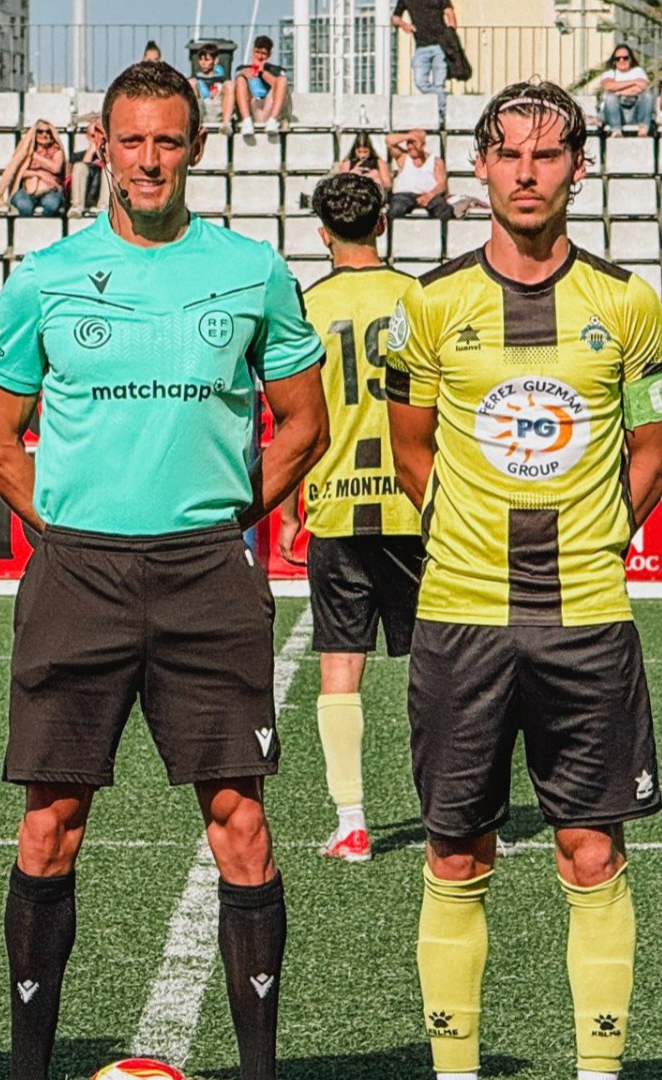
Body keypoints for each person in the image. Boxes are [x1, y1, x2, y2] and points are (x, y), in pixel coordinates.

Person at [0, 58, 328, 1080]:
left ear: (197, 150)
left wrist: (223, 517)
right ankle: (26, 1068)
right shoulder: (43, 276)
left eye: (168, 141)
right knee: (50, 823)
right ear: (103, 147)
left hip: (207, 576)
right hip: (76, 574)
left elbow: (305, 423)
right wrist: (69, 523)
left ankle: (259, 1068)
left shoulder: (253, 270)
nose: (149, 160)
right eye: (131, 140)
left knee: (241, 823)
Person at [386, 80, 662, 1080]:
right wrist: (466, 536)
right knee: (455, 856)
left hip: (587, 620)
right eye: (508, 152)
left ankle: (599, 1073)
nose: (526, 171)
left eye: (546, 154)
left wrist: (601, 534)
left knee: (590, 855)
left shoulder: (630, 304)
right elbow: (412, 449)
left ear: (578, 170)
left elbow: (653, 445)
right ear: (478, 167)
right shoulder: (427, 307)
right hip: (460, 618)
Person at [276, 171, 422, 863]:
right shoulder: (417, 299)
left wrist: (286, 505)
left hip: (336, 503)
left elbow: (292, 416)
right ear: (383, 225)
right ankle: (455, 812)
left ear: (322, 233)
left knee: (341, 666)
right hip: (417, 503)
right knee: (442, 667)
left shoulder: (305, 306)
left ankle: (353, 821)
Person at [393, 0, 456, 122]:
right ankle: (445, 99)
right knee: (420, 82)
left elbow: (450, 13)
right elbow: (395, 17)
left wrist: (451, 34)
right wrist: (404, 25)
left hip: (441, 45)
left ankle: (441, 117)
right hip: (421, 47)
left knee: (439, 84)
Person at [0, 120, 67, 217]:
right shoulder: (26, 150)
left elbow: (56, 168)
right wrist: (39, 173)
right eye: (40, 131)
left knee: (51, 205)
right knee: (24, 206)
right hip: (27, 190)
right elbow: (19, 172)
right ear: (35, 133)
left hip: (50, 190)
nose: (44, 135)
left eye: (48, 132)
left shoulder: (56, 150)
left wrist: (36, 156)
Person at [387, 129, 451, 220]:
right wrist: (410, 136)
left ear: (423, 145)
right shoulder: (403, 157)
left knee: (444, 209)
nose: (410, 146)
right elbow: (389, 141)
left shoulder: (436, 161)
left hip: (430, 195)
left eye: (414, 143)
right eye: (408, 143)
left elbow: (442, 184)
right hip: (404, 195)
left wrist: (429, 196)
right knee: (396, 208)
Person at [234, 35, 289, 137]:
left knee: (282, 80)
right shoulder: (242, 69)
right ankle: (246, 121)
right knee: (240, 80)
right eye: (257, 52)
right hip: (252, 107)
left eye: (263, 53)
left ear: (269, 55)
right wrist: (245, 74)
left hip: (269, 107)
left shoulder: (276, 70)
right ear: (252, 51)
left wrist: (262, 72)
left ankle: (273, 120)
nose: (259, 57)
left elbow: (280, 86)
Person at [598, 44, 653, 136]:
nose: (621, 60)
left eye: (625, 58)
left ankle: (643, 130)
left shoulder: (638, 71)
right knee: (611, 98)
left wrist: (618, 91)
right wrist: (634, 82)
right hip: (613, 112)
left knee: (647, 95)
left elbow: (643, 86)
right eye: (618, 58)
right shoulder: (609, 73)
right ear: (614, 61)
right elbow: (608, 86)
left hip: (635, 110)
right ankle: (616, 131)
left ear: (630, 59)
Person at [191, 44, 237, 133]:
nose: (203, 63)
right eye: (200, 59)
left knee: (229, 85)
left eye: (207, 60)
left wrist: (219, 90)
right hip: (202, 112)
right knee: (191, 83)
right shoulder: (195, 79)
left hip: (218, 110)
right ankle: (195, 125)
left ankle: (226, 124)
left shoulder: (222, 80)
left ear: (215, 60)